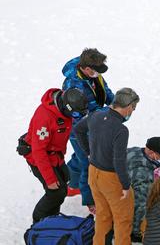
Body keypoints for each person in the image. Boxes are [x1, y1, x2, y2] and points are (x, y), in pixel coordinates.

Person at [74, 87, 139, 245]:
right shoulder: (121, 130)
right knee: (122, 220)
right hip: (111, 179)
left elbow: (78, 129)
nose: (133, 111)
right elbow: (119, 160)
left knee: (103, 216)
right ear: (128, 106)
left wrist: (88, 152)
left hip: (93, 173)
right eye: (134, 107)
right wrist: (125, 185)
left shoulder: (96, 115)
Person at [22, 88, 87, 223]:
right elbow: (38, 151)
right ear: (66, 107)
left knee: (63, 186)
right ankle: (38, 224)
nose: (75, 117)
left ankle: (51, 220)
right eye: (74, 114)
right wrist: (50, 179)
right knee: (55, 193)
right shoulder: (44, 117)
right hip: (39, 158)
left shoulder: (67, 106)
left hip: (56, 156)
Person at [62, 48, 114, 211]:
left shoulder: (94, 74)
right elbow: (78, 116)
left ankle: (72, 184)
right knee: (89, 163)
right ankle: (90, 200)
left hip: (94, 123)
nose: (99, 75)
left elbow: (105, 91)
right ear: (85, 68)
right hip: (79, 130)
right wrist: (107, 113)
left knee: (79, 157)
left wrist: (116, 102)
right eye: (96, 72)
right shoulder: (73, 85)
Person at [126, 136, 160, 242]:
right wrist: (137, 231)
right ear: (152, 152)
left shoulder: (137, 151)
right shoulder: (142, 172)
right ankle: (135, 230)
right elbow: (140, 203)